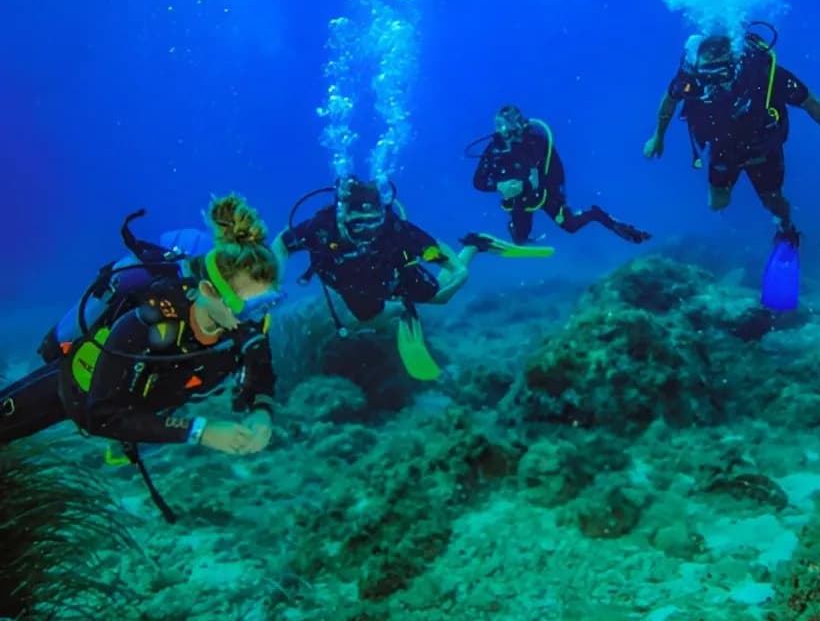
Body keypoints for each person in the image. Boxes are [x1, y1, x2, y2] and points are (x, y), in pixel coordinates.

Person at [0, 194, 283, 521]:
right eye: (249, 306)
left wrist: (262, 413)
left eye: (269, 303)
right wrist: (201, 431)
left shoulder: (245, 330)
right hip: (75, 390)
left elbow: (261, 377)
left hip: (142, 414)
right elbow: (100, 416)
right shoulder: (144, 324)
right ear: (207, 291)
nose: (255, 320)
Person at [643, 29, 820, 247]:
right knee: (716, 202)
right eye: (708, 75)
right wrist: (657, 136)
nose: (714, 83)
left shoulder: (764, 74)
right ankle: (728, 228)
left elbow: (810, 103)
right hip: (723, 148)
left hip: (763, 147)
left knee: (772, 199)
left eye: (721, 75)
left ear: (735, 65)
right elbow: (669, 101)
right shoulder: (691, 80)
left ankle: (785, 228)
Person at [272, 175, 471, 381]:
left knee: (440, 298)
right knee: (367, 321)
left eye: (374, 222)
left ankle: (472, 246)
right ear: (343, 216)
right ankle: (400, 310)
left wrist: (458, 270)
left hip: (390, 272)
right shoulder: (321, 228)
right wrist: (275, 281)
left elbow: (434, 249)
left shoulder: (394, 227)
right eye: (360, 224)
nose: (369, 231)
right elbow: (281, 243)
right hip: (350, 283)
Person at [470, 104, 652, 247]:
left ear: (520, 126)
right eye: (503, 130)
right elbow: (478, 181)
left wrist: (556, 197)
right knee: (519, 238)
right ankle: (517, 232)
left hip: (544, 191)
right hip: (518, 199)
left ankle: (598, 215)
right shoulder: (495, 148)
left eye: (512, 131)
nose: (510, 138)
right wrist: (499, 186)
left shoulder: (536, 140)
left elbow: (552, 172)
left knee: (571, 226)